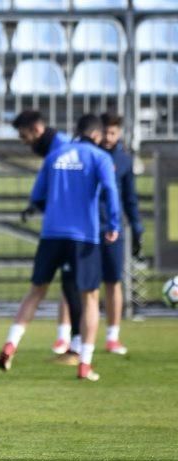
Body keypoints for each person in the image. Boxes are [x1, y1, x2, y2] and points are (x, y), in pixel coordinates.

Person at [0, 114, 121, 382]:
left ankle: (10, 344)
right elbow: (110, 190)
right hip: (84, 236)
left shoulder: (56, 156)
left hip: (52, 234)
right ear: (97, 135)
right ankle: (85, 363)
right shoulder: (100, 157)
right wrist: (113, 223)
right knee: (89, 298)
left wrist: (55, 209)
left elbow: (37, 196)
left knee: (35, 292)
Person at [12, 110, 83, 361]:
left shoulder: (60, 152)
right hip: (75, 228)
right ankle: (69, 341)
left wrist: (40, 205)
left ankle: (77, 347)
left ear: (36, 130)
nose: (24, 142)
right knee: (70, 286)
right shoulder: (61, 148)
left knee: (75, 288)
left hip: (74, 231)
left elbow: (42, 195)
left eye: (24, 136)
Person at [98, 112, 144, 354]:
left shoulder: (124, 160)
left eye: (113, 132)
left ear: (119, 134)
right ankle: (73, 338)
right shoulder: (92, 156)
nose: (108, 136)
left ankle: (112, 336)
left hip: (112, 230)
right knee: (81, 284)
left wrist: (136, 227)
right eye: (105, 131)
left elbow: (130, 198)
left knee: (114, 281)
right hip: (88, 229)